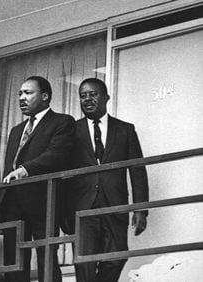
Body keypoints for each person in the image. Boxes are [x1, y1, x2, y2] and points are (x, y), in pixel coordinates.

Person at [65, 78, 149, 282]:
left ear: (106, 97)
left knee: (116, 256)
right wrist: (63, 214)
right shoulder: (70, 131)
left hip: (115, 204)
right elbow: (61, 172)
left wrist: (140, 209)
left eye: (92, 94)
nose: (87, 99)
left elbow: (137, 170)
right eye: (82, 95)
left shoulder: (125, 130)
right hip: (82, 208)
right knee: (84, 262)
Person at [0, 76, 75, 282]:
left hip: (44, 203)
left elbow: (56, 155)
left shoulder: (62, 122)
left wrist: (25, 170)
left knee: (46, 261)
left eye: (28, 93)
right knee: (13, 264)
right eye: (20, 94)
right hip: (13, 205)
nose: (22, 98)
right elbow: (8, 168)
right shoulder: (16, 131)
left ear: (44, 96)